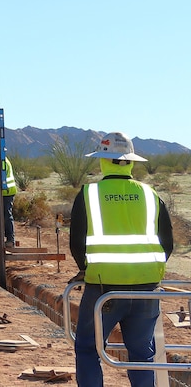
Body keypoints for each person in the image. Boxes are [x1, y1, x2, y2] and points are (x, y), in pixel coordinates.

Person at [70, 132, 172, 387]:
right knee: (141, 355)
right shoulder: (151, 195)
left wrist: (85, 269)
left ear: (103, 161)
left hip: (102, 288)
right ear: (130, 162)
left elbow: (77, 242)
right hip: (146, 290)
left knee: (88, 349)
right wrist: (149, 271)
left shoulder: (89, 194)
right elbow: (167, 243)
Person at [2, 155, 18, 248]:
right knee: (6, 214)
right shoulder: (3, 159)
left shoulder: (2, 162)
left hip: (7, 192)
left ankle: (10, 240)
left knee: (7, 215)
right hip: (7, 191)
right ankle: (9, 238)